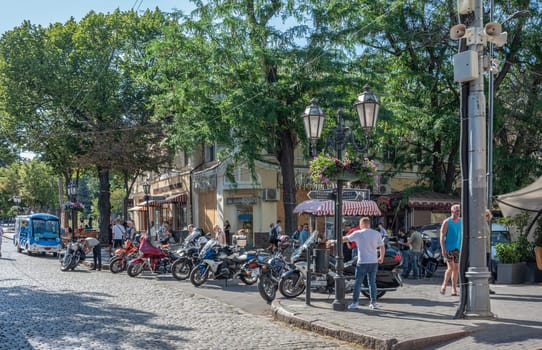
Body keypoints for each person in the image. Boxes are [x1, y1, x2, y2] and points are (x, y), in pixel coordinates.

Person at [327, 217, 384, 310]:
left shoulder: (358, 233)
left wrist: (333, 241)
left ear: (361, 224)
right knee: (372, 283)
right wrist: (381, 257)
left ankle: (355, 303)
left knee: (358, 283)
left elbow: (345, 239)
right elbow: (382, 246)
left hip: (362, 262)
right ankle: (373, 303)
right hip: (373, 261)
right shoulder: (376, 233)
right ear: (369, 224)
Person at [440, 204, 462, 296]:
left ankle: (454, 288)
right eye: (456, 211)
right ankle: (444, 285)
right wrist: (443, 248)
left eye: (459, 211)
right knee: (450, 267)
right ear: (452, 211)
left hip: (458, 247)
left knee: (456, 268)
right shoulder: (447, 222)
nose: (457, 212)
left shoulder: (462, 221)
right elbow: (442, 236)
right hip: (449, 248)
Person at [485, 210, 496, 294]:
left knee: (486, 269)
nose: (486, 217)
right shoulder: (480, 225)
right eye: (485, 215)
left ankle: (487, 287)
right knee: (484, 269)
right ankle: (486, 288)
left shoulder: (486, 224)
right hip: (482, 251)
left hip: (487, 250)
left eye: (487, 215)